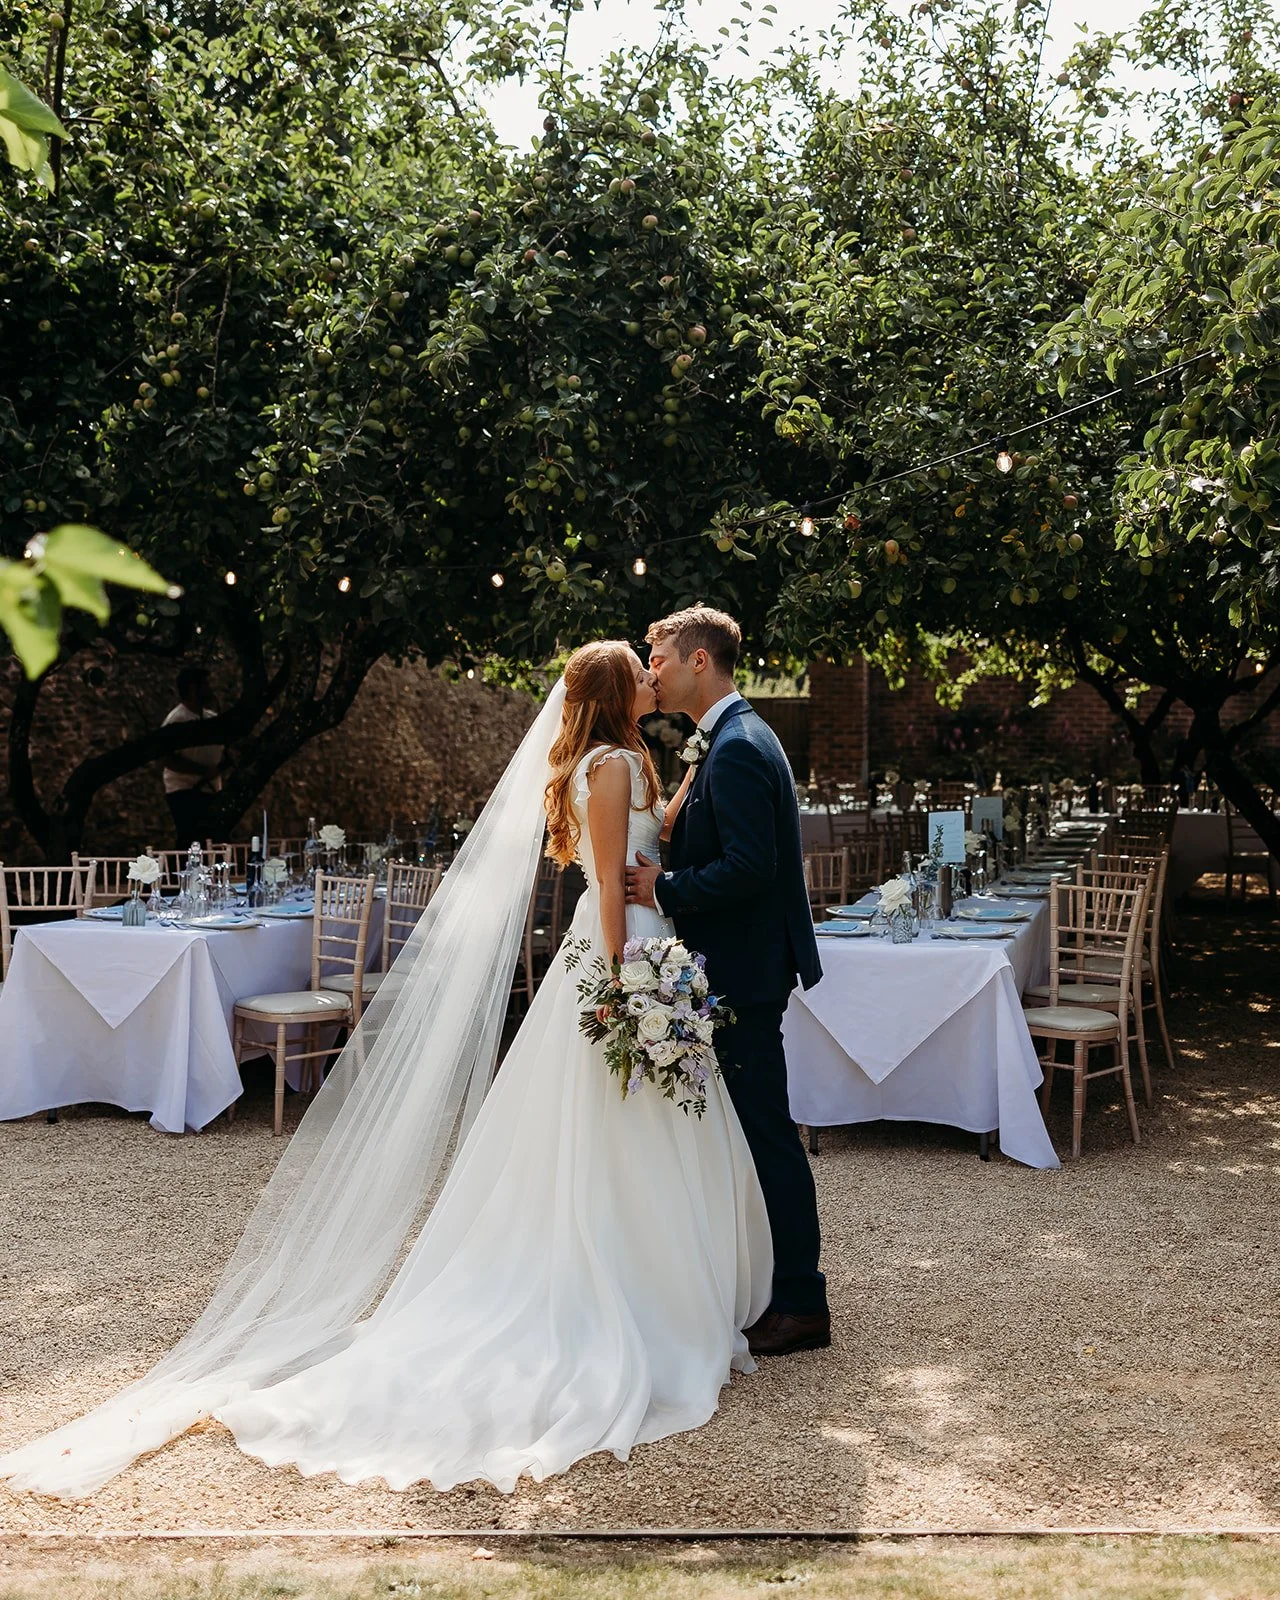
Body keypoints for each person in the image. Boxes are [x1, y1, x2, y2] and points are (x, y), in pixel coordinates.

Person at [0, 640, 771, 1499]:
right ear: (612, 689)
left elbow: (629, 863)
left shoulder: (627, 758)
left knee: (631, 1124)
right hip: (619, 961)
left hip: (636, 949)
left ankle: (660, 1286)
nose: (647, 669)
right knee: (611, 1124)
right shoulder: (614, 761)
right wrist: (625, 982)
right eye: (636, 664)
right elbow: (603, 883)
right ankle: (638, 1294)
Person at [625, 605, 829, 1357]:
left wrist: (664, 891)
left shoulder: (740, 746)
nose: (653, 671)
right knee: (746, 1130)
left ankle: (803, 1302)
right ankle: (766, 1282)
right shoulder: (728, 739)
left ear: (699, 661)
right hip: (735, 965)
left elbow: (752, 867)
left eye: (662, 657)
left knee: (766, 1130)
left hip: (742, 972)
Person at [161, 667, 226, 847]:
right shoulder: (176, 720)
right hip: (185, 790)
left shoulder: (211, 719)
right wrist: (202, 771)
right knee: (192, 839)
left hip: (211, 789)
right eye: (204, 684)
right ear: (192, 688)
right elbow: (167, 758)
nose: (209, 688)